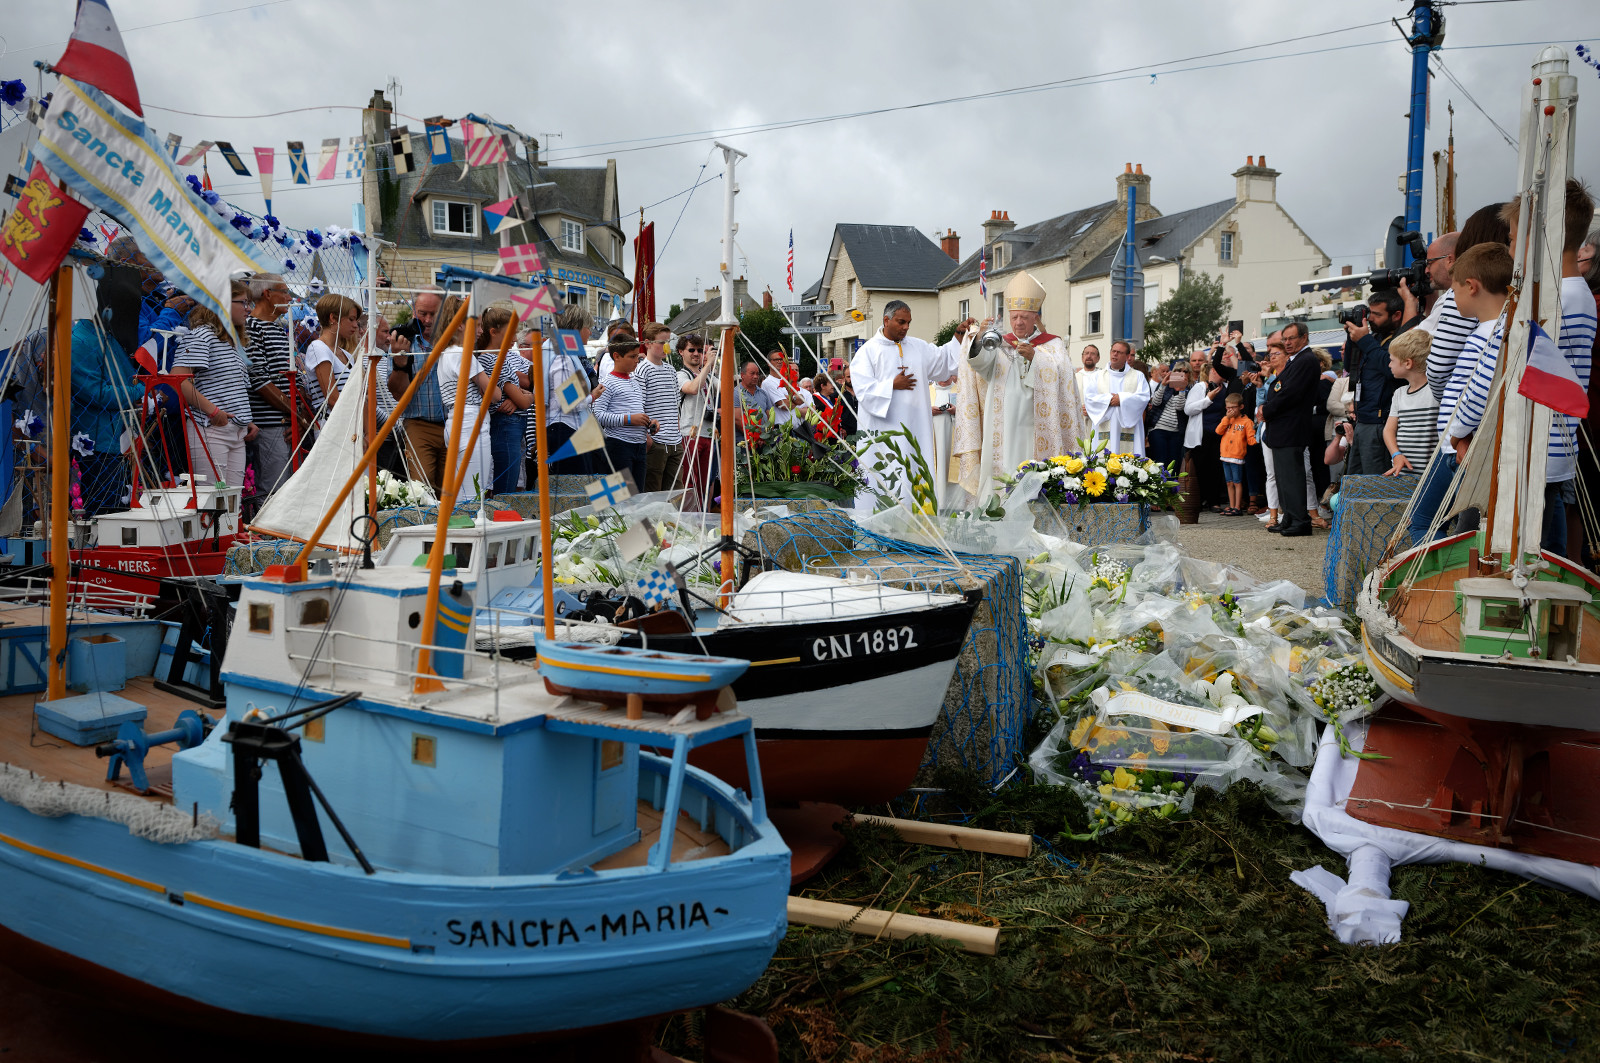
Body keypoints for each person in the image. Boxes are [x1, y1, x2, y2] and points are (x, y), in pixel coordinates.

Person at [951, 271, 1086, 508]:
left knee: (1030, 467)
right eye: (1014, 317)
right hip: (1001, 424)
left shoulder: (1052, 344)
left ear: (1035, 316)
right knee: (1000, 474)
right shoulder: (999, 341)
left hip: (1034, 424)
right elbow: (979, 365)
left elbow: (1062, 380)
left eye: (1024, 317)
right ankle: (996, 512)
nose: (1018, 323)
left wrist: (1036, 358)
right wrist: (980, 336)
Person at [850, 301, 972, 504]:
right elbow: (863, 390)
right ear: (886, 320)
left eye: (908, 322)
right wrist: (891, 385)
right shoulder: (867, 352)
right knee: (884, 482)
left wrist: (958, 336)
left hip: (915, 431)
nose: (906, 327)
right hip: (883, 434)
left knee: (915, 476)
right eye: (901, 322)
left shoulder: (918, 347)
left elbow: (944, 360)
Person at [173, 277, 257, 487]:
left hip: (235, 430)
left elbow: (234, 388)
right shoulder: (203, 336)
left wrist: (246, 420)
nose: (248, 309)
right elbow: (178, 379)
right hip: (210, 429)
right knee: (212, 500)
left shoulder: (233, 342)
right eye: (243, 303)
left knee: (232, 499)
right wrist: (213, 412)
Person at [1261, 321, 1320, 536]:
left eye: (1291, 338)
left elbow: (1290, 394)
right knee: (1283, 477)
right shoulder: (1296, 361)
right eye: (1284, 339)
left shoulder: (1306, 360)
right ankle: (1289, 517)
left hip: (1292, 427)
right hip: (1282, 428)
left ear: (1304, 337)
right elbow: (1280, 388)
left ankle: (1300, 521)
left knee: (1293, 477)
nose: (1287, 342)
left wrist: (1266, 410)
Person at [388, 288, 449, 491]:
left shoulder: (455, 339)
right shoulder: (403, 342)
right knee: (422, 489)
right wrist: (400, 362)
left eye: (434, 313)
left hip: (454, 422)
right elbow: (399, 395)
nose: (428, 320)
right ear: (414, 311)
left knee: (452, 489)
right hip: (418, 425)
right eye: (423, 313)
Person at [436, 306, 500, 497]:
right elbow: (495, 395)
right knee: (473, 493)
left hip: (456, 420)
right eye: (478, 325)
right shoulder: (462, 354)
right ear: (461, 326)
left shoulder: (447, 353)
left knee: (463, 489)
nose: (481, 331)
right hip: (471, 421)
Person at [1341, 288, 1405, 474]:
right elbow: (1350, 365)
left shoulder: (1400, 339)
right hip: (1363, 419)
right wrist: (1353, 338)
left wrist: (1366, 341)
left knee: (1374, 483)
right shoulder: (1374, 338)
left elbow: (1391, 369)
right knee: (1355, 480)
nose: (1370, 319)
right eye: (1370, 313)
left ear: (1396, 315)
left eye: (1377, 314)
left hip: (1381, 423)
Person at [242, 273, 295, 496]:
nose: (289, 298)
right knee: (274, 490)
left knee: (288, 488)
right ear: (267, 294)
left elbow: (294, 376)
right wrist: (296, 413)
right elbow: (259, 380)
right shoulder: (250, 327)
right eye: (285, 292)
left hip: (286, 420)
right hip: (269, 423)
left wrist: (297, 417)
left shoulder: (279, 328)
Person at [533, 304, 597, 478]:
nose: (590, 333)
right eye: (587, 328)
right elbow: (570, 402)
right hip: (566, 429)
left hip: (564, 428)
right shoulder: (562, 356)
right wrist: (593, 396)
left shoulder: (559, 351)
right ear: (575, 329)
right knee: (572, 489)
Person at [479, 306, 532, 495]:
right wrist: (522, 398)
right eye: (511, 332)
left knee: (509, 482)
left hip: (511, 425)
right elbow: (525, 400)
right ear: (493, 332)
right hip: (506, 426)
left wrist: (520, 397)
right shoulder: (491, 360)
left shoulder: (500, 359)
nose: (515, 339)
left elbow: (523, 394)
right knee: (506, 487)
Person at [592, 338, 653, 490]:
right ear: (617, 356)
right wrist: (629, 419)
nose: (636, 361)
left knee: (637, 496)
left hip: (639, 445)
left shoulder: (634, 382)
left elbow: (636, 412)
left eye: (637, 357)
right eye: (632, 357)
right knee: (618, 500)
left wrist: (649, 422)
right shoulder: (607, 382)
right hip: (618, 446)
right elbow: (598, 415)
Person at [637, 322, 686, 492]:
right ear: (648, 343)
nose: (666, 347)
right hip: (656, 440)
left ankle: (672, 520)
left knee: (675, 490)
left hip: (675, 440)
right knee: (653, 489)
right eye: (661, 343)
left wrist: (678, 429)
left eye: (668, 342)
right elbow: (639, 404)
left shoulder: (671, 370)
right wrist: (647, 437)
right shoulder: (642, 369)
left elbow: (675, 403)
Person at [1383, 328, 1437, 477]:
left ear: (1407, 363)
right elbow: (1388, 430)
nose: (1389, 365)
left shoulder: (1435, 391)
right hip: (1402, 473)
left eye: (1392, 360)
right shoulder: (1399, 394)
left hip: (1430, 475)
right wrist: (1396, 454)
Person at [1081, 340, 1151, 456]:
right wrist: (1108, 399)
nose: (1115, 354)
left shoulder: (1137, 376)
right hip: (1104, 424)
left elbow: (1143, 397)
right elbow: (1089, 398)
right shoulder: (1097, 376)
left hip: (1128, 426)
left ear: (1127, 356)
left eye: (1119, 352)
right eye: (1113, 351)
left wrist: (1122, 399)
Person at [675, 333, 718, 509]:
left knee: (705, 485)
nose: (696, 354)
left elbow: (726, 387)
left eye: (700, 350)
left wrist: (714, 366)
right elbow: (692, 388)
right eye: (691, 350)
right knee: (688, 484)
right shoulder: (680, 374)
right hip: (689, 434)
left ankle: (702, 519)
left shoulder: (708, 375)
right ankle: (686, 521)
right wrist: (707, 364)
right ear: (681, 352)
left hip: (708, 434)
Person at [1215, 393, 1257, 515]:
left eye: (1233, 407)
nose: (1230, 410)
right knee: (1229, 482)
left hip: (1237, 456)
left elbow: (1251, 440)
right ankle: (1232, 506)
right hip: (1225, 455)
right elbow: (1218, 431)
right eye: (1228, 408)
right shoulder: (1227, 419)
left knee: (1237, 482)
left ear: (1241, 407)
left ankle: (1237, 507)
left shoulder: (1246, 422)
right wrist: (1226, 418)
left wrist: (1257, 437)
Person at [1144, 362, 1189, 474]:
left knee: (1174, 465)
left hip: (1176, 432)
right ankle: (1160, 490)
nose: (1181, 373)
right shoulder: (1164, 385)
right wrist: (1163, 385)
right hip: (1159, 429)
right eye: (1178, 371)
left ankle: (1172, 491)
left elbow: (1179, 407)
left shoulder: (1189, 389)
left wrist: (1181, 391)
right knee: (1160, 463)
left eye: (1185, 371)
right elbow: (1156, 402)